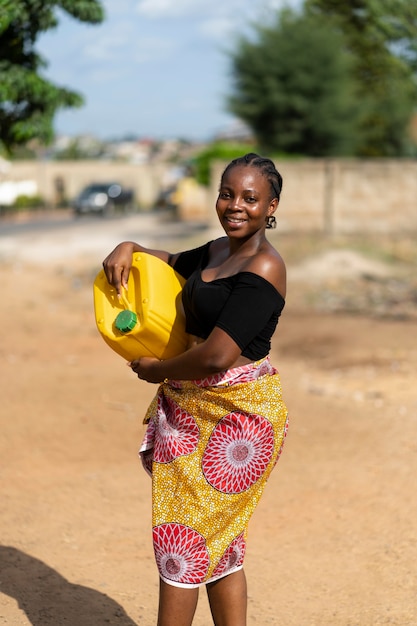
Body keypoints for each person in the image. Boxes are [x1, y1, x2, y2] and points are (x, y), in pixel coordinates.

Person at [102, 153, 289, 626]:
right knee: (219, 545)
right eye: (227, 193)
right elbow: (163, 264)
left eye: (250, 197)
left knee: (181, 549)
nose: (235, 205)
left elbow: (217, 356)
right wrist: (130, 245)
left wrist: (158, 370)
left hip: (238, 423)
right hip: (193, 409)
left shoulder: (265, 267)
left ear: (272, 206)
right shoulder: (214, 251)